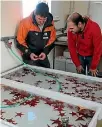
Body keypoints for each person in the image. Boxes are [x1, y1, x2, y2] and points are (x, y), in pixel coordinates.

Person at [16, 2, 56, 68]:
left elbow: (52, 39)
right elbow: (20, 41)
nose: (41, 22)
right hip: (29, 58)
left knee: (47, 73)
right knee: (31, 76)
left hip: (42, 56)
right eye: (39, 19)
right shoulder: (25, 23)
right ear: (35, 13)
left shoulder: (50, 22)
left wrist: (45, 52)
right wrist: (29, 53)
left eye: (44, 19)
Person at [67, 12, 102, 77]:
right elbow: (71, 47)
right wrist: (77, 64)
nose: (69, 30)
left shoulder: (94, 28)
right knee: (80, 77)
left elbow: (98, 49)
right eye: (69, 28)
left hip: (92, 56)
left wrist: (93, 66)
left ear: (79, 24)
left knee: (92, 77)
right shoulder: (70, 30)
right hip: (80, 55)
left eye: (71, 28)